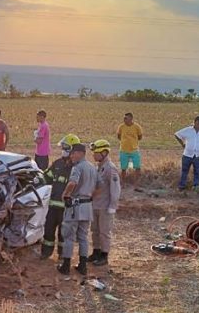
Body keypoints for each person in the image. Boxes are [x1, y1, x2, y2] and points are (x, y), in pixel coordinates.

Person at [58, 143, 97, 276]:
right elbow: (98, 187)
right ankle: (83, 266)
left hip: (75, 205)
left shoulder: (77, 167)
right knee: (83, 237)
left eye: (73, 153)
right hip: (87, 206)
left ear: (81, 153)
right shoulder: (93, 168)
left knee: (68, 236)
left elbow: (72, 183)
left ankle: (66, 266)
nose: (71, 155)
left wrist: (65, 194)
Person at [40, 134, 80, 260]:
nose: (63, 150)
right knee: (48, 230)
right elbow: (46, 178)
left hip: (67, 209)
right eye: (62, 147)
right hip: (52, 206)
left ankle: (63, 255)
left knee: (64, 234)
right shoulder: (57, 164)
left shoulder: (77, 168)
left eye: (65, 147)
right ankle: (46, 253)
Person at [89, 139, 120, 267]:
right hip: (95, 205)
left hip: (105, 207)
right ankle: (96, 251)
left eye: (96, 153)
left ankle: (104, 255)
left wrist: (113, 206)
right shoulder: (99, 167)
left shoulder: (110, 168)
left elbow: (115, 189)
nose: (94, 155)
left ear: (104, 153)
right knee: (95, 230)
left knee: (104, 232)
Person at [174, 116, 199, 192]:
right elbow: (177, 134)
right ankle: (182, 187)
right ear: (194, 122)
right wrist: (183, 144)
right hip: (187, 155)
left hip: (198, 156)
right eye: (198, 123)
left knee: (197, 172)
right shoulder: (188, 130)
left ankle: (196, 187)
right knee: (184, 171)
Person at [116, 112, 143, 186]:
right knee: (123, 168)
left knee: (137, 167)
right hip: (123, 150)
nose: (124, 119)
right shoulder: (121, 127)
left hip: (134, 150)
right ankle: (123, 183)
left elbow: (140, 137)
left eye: (126, 118)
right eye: (124, 118)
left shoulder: (137, 127)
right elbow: (118, 136)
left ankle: (136, 182)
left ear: (131, 118)